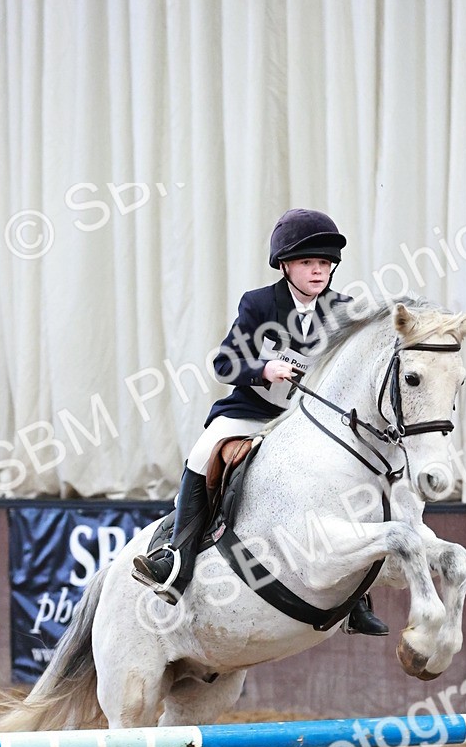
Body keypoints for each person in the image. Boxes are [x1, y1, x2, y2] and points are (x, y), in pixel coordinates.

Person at [132, 208, 388, 636]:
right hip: (254, 413)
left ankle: (358, 598)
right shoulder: (260, 303)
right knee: (201, 453)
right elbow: (224, 362)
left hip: (312, 422)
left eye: (324, 264)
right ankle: (176, 558)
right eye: (309, 263)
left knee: (358, 470)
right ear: (286, 266)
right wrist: (264, 369)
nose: (318, 271)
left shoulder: (344, 310)